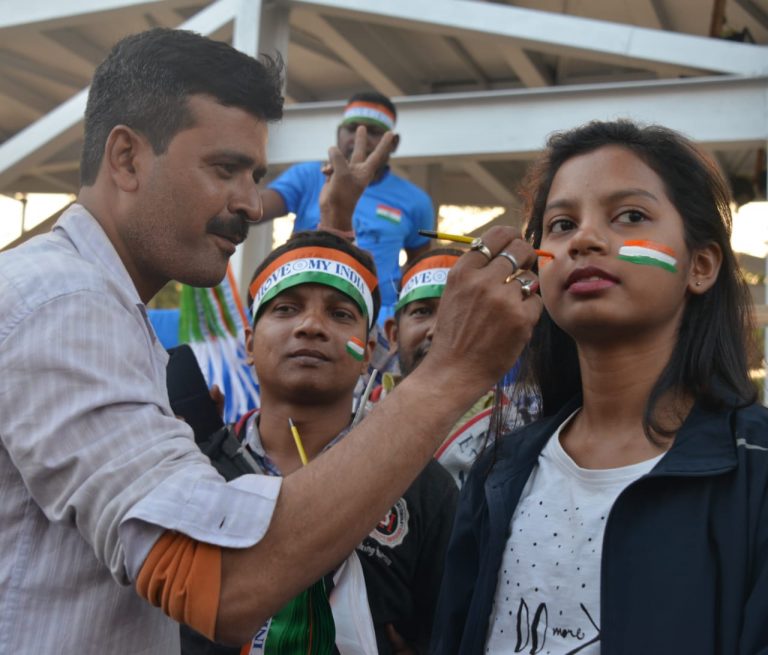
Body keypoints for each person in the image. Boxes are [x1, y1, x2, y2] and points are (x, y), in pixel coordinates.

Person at [0, 28, 541, 654]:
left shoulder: (92, 303)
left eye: (255, 175)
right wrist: (452, 371)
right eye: (225, 169)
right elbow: (216, 582)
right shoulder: (68, 304)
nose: (253, 204)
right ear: (126, 159)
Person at [431, 119, 768, 654]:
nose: (584, 239)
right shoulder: (500, 471)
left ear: (700, 265)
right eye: (560, 225)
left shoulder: (756, 468)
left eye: (630, 216)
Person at [185, 230, 457, 654]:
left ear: (368, 351)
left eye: (341, 314)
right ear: (251, 344)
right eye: (287, 308)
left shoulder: (422, 483)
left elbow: (449, 629)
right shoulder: (194, 469)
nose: (311, 326)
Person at [259, 91, 435, 324]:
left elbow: (419, 271)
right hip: (304, 305)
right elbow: (255, 209)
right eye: (352, 129)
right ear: (338, 133)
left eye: (373, 132)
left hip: (379, 319)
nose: (359, 139)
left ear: (392, 143)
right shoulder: (308, 176)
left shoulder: (416, 200)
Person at [376, 247, 537, 487]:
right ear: (393, 334)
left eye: (462, 313)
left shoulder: (524, 430)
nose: (440, 331)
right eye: (422, 312)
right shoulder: (356, 420)